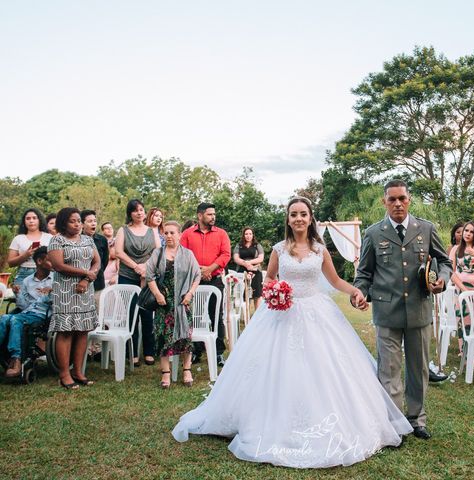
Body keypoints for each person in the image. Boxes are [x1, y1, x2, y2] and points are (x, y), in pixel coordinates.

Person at [172, 196, 412, 467]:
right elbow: (271, 277)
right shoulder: (278, 249)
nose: (298, 218)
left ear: (310, 219)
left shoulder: (320, 250)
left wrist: (355, 290)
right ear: (288, 219)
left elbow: (333, 280)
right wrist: (275, 291)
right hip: (280, 315)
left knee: (324, 368)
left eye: (303, 214)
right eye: (294, 214)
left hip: (316, 312)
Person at [354, 180, 452, 440]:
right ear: (384, 202)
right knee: (389, 368)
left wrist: (441, 278)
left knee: (418, 368)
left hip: (419, 309)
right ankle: (395, 422)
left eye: (402, 198)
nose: (398, 203)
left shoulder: (426, 229)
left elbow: (444, 261)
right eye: (392, 199)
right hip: (387, 311)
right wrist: (360, 293)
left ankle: (417, 419)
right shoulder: (374, 233)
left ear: (409, 200)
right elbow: (364, 273)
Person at [48, 207, 100, 389]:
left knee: (82, 330)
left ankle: (78, 371)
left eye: (79, 220)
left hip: (85, 291)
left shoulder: (87, 239)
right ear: (63, 222)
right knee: (66, 331)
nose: (77, 224)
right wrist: (85, 272)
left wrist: (86, 279)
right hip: (65, 292)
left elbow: (97, 261)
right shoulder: (57, 240)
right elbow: (58, 265)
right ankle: (64, 374)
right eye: (73, 221)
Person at [145, 221, 201, 388]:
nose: (168, 236)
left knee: (185, 336)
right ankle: (166, 373)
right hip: (164, 302)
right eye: (166, 233)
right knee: (163, 337)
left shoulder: (188, 254)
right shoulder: (158, 253)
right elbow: (149, 276)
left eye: (172, 233)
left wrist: (190, 293)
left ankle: (187, 370)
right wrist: (157, 294)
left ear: (179, 235)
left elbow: (197, 275)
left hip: (183, 302)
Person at [180, 203, 230, 367]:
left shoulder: (221, 234)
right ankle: (195, 351)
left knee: (216, 316)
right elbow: (182, 255)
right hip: (192, 281)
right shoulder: (187, 234)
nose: (213, 217)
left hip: (214, 279)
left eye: (214, 214)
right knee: (194, 316)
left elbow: (225, 254)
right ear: (200, 215)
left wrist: (210, 268)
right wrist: (198, 271)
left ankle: (217, 353)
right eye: (209, 214)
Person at [114, 199, 161, 366]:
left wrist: (146, 268)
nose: (139, 213)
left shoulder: (152, 231)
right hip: (127, 275)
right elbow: (118, 252)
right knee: (130, 314)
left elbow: (157, 251)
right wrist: (136, 266)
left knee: (147, 313)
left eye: (141, 209)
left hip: (147, 276)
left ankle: (149, 351)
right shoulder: (123, 230)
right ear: (130, 214)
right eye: (135, 211)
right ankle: (131, 353)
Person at [0, 247, 52, 377]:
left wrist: (49, 293)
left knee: (15, 319)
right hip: (27, 313)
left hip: (43, 315)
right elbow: (24, 306)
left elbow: (59, 302)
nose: (54, 263)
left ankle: (16, 359)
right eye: (50, 260)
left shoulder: (56, 279)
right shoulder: (27, 281)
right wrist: (18, 294)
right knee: (4, 318)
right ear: (39, 261)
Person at [449, 221, 474, 367]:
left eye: (471, 232)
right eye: (466, 230)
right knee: (464, 322)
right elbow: (450, 272)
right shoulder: (455, 249)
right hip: (462, 290)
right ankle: (467, 359)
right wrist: (463, 290)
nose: (467, 234)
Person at [8, 208, 53, 291]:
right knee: (23, 303)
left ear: (39, 220)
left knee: (44, 302)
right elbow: (10, 263)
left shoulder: (49, 237)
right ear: (24, 222)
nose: (31, 221)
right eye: (28, 218)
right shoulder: (18, 238)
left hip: (46, 274)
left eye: (34, 218)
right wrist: (26, 255)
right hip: (24, 274)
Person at [81, 210, 109, 308]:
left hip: (98, 282)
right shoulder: (77, 239)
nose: (93, 223)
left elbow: (105, 261)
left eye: (95, 221)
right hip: (80, 283)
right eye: (89, 221)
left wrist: (97, 271)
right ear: (82, 224)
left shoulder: (102, 240)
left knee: (98, 311)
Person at [233, 227, 265, 311]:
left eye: (250, 234)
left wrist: (249, 262)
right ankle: (246, 316)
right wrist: (245, 264)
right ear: (243, 235)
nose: (248, 236)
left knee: (257, 294)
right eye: (246, 234)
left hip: (255, 271)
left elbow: (261, 258)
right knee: (244, 294)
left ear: (253, 235)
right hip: (242, 272)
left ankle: (256, 316)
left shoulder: (257, 245)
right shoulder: (238, 245)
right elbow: (236, 258)